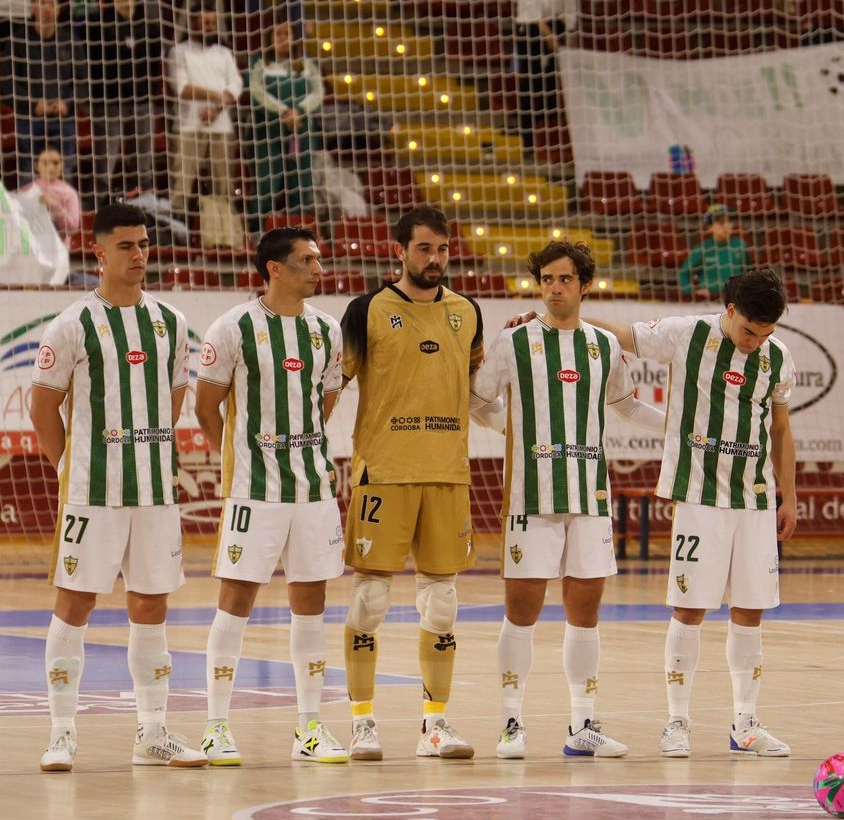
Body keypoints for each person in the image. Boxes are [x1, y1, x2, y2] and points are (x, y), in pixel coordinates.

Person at [552, 268, 798, 758]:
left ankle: (745, 723)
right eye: (749, 330)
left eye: (765, 334)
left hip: (755, 497)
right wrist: (557, 318)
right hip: (699, 493)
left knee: (751, 610)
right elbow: (619, 335)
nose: (755, 342)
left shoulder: (777, 356)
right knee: (691, 608)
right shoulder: (688, 334)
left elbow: (782, 430)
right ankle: (677, 721)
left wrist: (788, 496)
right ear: (730, 311)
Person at [28, 201, 207, 772]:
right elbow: (43, 406)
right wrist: (66, 467)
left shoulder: (171, 322)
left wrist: (150, 441)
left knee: (151, 605)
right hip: (92, 490)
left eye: (144, 244)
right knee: (76, 602)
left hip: (155, 491)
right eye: (126, 245)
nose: (139, 255)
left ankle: (152, 731)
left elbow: (176, 393)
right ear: (99, 252)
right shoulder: (73, 323)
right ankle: (61, 731)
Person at [470, 240, 664, 760]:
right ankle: (512, 721)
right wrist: (507, 427)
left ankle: (583, 725)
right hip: (530, 497)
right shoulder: (513, 342)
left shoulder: (603, 344)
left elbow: (626, 405)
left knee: (586, 612)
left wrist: (682, 428)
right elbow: (474, 398)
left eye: (564, 279)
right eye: (547, 280)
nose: (554, 288)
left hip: (590, 496)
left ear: (584, 285)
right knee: (523, 610)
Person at [195, 227, 349, 766]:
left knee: (312, 604)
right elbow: (205, 406)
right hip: (253, 491)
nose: (317, 268)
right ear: (274, 269)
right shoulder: (234, 326)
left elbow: (324, 400)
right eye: (306, 260)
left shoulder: (328, 330)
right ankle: (216, 726)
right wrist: (238, 459)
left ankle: (310, 727)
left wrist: (297, 446)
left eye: (319, 259)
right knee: (235, 601)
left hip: (311, 488)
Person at [339, 205, 484, 761]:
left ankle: (435, 725)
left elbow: (476, 387)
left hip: (447, 473)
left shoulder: (466, 311)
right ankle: (362, 721)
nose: (435, 259)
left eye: (443, 248)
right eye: (424, 248)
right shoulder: (367, 310)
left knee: (442, 603)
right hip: (386, 472)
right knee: (371, 599)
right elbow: (332, 387)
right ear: (399, 250)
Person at [167, 2, 244, 248]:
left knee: (223, 185)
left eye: (213, 21)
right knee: (182, 184)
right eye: (205, 21)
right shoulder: (179, 52)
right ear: (193, 23)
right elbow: (182, 88)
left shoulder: (224, 53)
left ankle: (225, 238)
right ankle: (177, 237)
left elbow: (236, 85)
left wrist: (217, 109)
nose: (209, 25)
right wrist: (215, 96)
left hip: (221, 127)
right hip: (188, 126)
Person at [89, 0, 160, 204]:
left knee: (143, 150)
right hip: (109, 101)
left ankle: (144, 193)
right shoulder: (98, 27)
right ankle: (101, 197)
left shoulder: (148, 27)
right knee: (107, 151)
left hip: (141, 99)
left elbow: (153, 64)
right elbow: (95, 66)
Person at [247, 18, 323, 235]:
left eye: (286, 34)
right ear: (270, 37)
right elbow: (256, 91)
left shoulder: (305, 64)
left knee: (301, 181)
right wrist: (283, 111)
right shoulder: (261, 63)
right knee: (267, 181)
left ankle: (298, 232)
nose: (282, 39)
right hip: (268, 130)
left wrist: (298, 110)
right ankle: (257, 232)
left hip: (301, 130)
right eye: (278, 34)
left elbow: (318, 92)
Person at [512, 0, 576, 153]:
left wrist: (568, 29)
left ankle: (549, 139)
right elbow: (529, 0)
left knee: (551, 84)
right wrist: (547, 33)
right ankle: (529, 141)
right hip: (533, 27)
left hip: (557, 25)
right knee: (532, 82)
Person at [13, 0, 78, 172]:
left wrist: (68, 103)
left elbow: (83, 80)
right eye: (42, 3)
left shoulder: (70, 41)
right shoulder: (18, 41)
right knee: (28, 171)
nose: (47, 7)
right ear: (32, 8)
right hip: (30, 119)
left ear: (59, 8)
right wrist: (33, 104)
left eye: (52, 3)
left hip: (63, 118)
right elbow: (8, 82)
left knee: (64, 172)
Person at [678, 204, 747, 301]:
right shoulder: (703, 248)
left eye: (729, 221)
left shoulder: (741, 245)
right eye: (721, 222)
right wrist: (693, 291)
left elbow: (748, 271)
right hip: (710, 301)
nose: (726, 225)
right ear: (709, 226)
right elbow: (683, 273)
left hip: (736, 299)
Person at [16, 143, 82, 235]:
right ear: (36, 165)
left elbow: (73, 228)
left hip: (58, 247)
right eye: (45, 163)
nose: (51, 168)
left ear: (62, 165)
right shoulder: (25, 190)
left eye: (55, 163)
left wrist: (54, 205)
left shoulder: (69, 193)